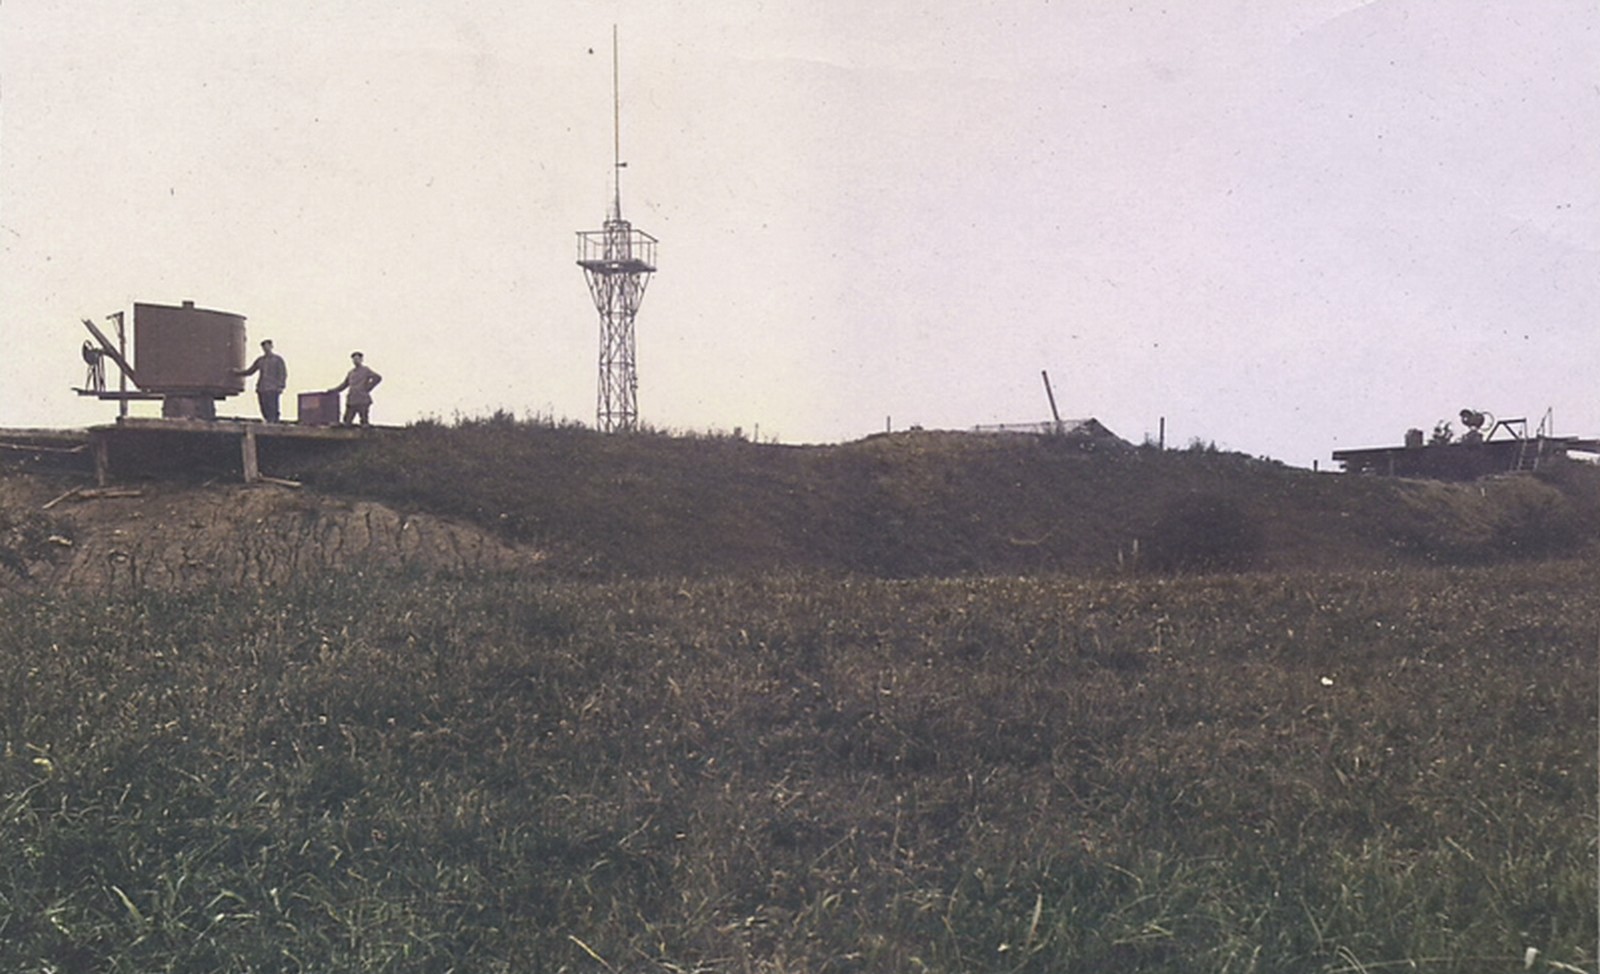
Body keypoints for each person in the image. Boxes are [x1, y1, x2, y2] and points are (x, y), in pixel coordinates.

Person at [234, 339, 288, 422]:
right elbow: (250, 371)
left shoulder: (277, 360)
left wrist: (281, 386)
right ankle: (268, 420)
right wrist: (237, 373)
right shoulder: (260, 360)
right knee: (264, 407)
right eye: (264, 346)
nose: (265, 348)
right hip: (262, 388)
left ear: (271, 346)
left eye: (267, 346)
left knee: (273, 407)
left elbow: (282, 373)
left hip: (273, 388)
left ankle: (274, 422)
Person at [329, 351, 383, 427]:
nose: (355, 361)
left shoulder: (365, 370)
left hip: (362, 399)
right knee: (347, 422)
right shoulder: (351, 373)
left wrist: (367, 388)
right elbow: (345, 384)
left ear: (361, 360)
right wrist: (333, 390)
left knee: (364, 422)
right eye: (354, 359)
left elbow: (377, 378)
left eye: (357, 359)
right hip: (352, 400)